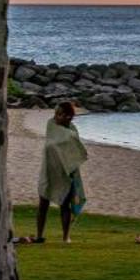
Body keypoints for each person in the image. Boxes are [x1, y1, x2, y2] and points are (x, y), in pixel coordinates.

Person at [35, 101, 89, 244]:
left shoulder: (72, 131)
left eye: (60, 114)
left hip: (66, 171)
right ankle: (39, 235)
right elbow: (51, 145)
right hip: (49, 169)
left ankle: (66, 237)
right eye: (56, 113)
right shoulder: (51, 125)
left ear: (69, 117)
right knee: (43, 203)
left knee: (65, 204)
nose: (56, 117)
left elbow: (75, 151)